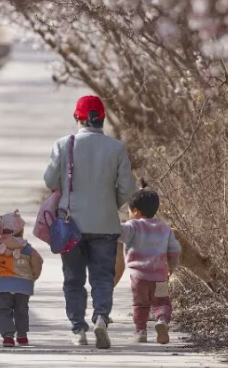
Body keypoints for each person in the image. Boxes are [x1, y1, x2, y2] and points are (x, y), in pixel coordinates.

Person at [43, 95, 136, 349]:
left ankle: (78, 329)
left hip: (70, 224)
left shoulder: (64, 145)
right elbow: (128, 188)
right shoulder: (116, 148)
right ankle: (101, 317)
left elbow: (50, 181)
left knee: (73, 279)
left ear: (77, 118)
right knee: (103, 277)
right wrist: (110, 204)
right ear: (102, 119)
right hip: (105, 224)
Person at [120, 182, 181, 344]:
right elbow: (174, 250)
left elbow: (115, 233)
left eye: (129, 211)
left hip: (138, 277)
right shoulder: (165, 228)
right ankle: (162, 321)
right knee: (162, 302)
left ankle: (141, 332)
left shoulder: (132, 226)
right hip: (160, 274)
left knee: (140, 304)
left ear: (136, 212)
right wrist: (171, 267)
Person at [0, 211, 43, 347]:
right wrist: (32, 278)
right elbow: (38, 263)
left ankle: (8, 336)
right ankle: (22, 335)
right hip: (23, 286)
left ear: (1, 230)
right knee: (21, 311)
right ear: (21, 230)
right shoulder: (28, 249)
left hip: (2, 286)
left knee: (2, 311)